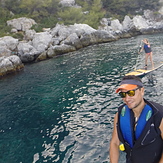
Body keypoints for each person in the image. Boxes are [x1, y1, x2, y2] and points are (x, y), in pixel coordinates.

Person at [109, 75, 163, 163]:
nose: (127, 98)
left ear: (142, 91)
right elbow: (115, 143)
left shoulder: (158, 114)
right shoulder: (120, 115)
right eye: (123, 94)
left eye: (131, 93)